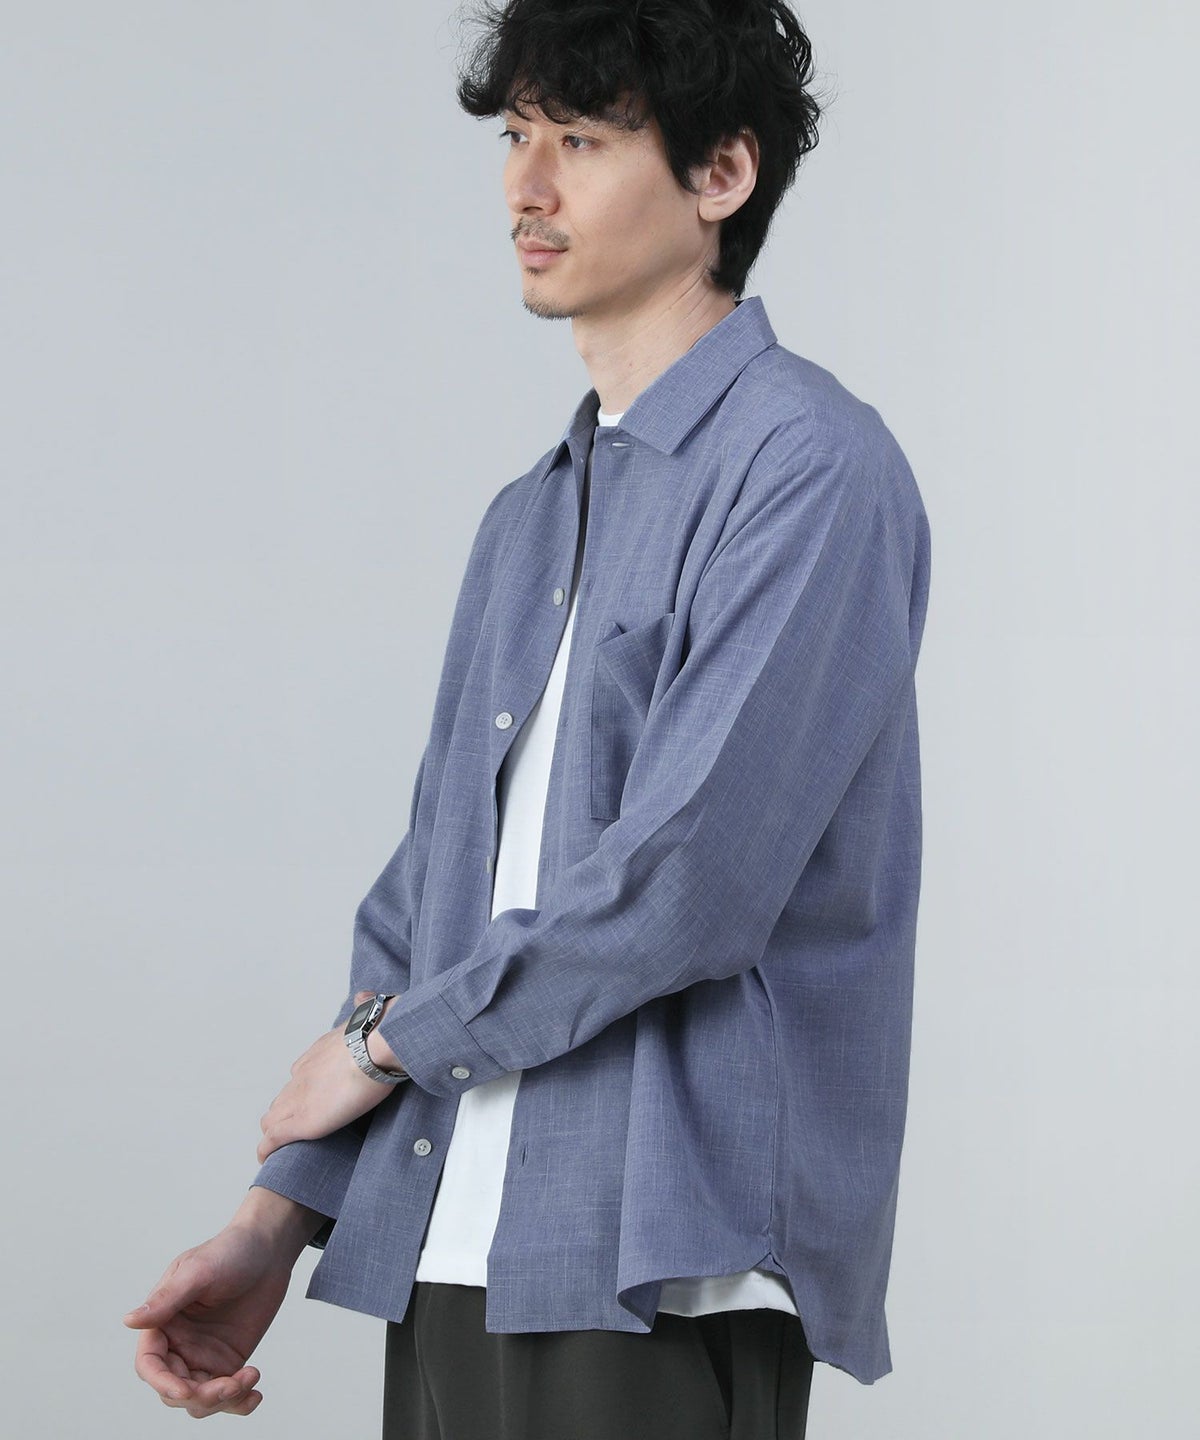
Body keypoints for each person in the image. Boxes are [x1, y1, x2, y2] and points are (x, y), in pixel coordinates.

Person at [124, 2, 932, 1435]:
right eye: (516, 135)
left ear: (722, 174)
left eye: (583, 140)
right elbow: (423, 902)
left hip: (655, 1262)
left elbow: (687, 883)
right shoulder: (526, 520)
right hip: (449, 1247)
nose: (525, 185)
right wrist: (276, 1218)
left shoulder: (809, 468)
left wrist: (381, 1048)